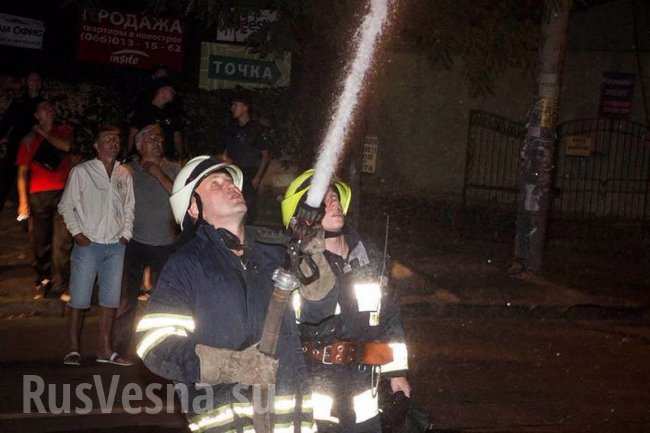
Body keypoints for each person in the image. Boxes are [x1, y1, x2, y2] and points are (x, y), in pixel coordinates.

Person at [135, 156, 315, 433]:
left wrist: (315, 251)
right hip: (228, 423)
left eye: (231, 182)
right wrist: (233, 366)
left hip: (289, 422)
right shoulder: (188, 264)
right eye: (216, 184)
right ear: (193, 208)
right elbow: (154, 344)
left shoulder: (275, 254)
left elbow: (316, 312)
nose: (230, 187)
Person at [282, 169, 411, 433]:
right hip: (315, 385)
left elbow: (389, 320)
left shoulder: (369, 258)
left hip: (364, 384)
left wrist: (397, 374)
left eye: (335, 197)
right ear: (301, 217)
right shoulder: (292, 268)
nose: (334, 203)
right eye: (323, 200)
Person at [58, 126, 134, 367]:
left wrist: (126, 234)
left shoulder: (124, 173)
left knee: (110, 301)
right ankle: (73, 349)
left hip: (115, 245)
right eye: (107, 139)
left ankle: (105, 349)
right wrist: (77, 233)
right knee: (79, 299)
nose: (113, 143)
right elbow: (65, 205)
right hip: (88, 244)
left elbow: (129, 207)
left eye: (116, 139)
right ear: (96, 145)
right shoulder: (82, 171)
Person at [113, 124, 180, 356]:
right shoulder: (127, 170)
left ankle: (164, 350)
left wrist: (158, 173)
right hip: (134, 243)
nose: (158, 142)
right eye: (151, 138)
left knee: (165, 302)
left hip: (165, 244)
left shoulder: (173, 168)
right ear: (140, 145)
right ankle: (121, 349)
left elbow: (179, 197)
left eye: (160, 138)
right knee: (126, 299)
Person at [15, 100, 73, 299]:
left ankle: (59, 284)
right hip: (38, 194)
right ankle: (43, 276)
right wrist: (23, 201)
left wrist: (44, 133)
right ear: (37, 115)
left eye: (51, 106)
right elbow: (22, 172)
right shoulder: (28, 140)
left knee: (62, 240)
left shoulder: (63, 131)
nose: (49, 109)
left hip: (64, 193)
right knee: (41, 241)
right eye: (43, 108)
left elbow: (67, 147)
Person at [221, 92, 272, 223]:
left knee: (247, 209)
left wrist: (258, 177)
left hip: (249, 173)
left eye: (236, 105)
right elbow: (227, 150)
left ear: (245, 107)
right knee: (231, 207)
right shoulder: (232, 128)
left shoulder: (256, 129)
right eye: (232, 105)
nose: (232, 108)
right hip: (232, 172)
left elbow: (266, 156)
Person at [0, 71, 44, 210]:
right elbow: (6, 122)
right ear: (27, 82)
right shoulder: (19, 101)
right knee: (7, 176)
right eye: (32, 79)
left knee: (29, 179)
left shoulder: (44, 104)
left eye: (37, 79)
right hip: (16, 143)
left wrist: (33, 132)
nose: (34, 82)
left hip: (34, 146)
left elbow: (46, 124)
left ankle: (27, 212)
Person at [129, 79, 184, 160]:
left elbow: (177, 137)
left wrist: (181, 156)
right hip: (145, 159)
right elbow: (133, 134)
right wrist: (129, 153)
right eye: (171, 91)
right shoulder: (143, 111)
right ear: (162, 90)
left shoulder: (172, 114)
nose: (174, 93)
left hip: (167, 159)